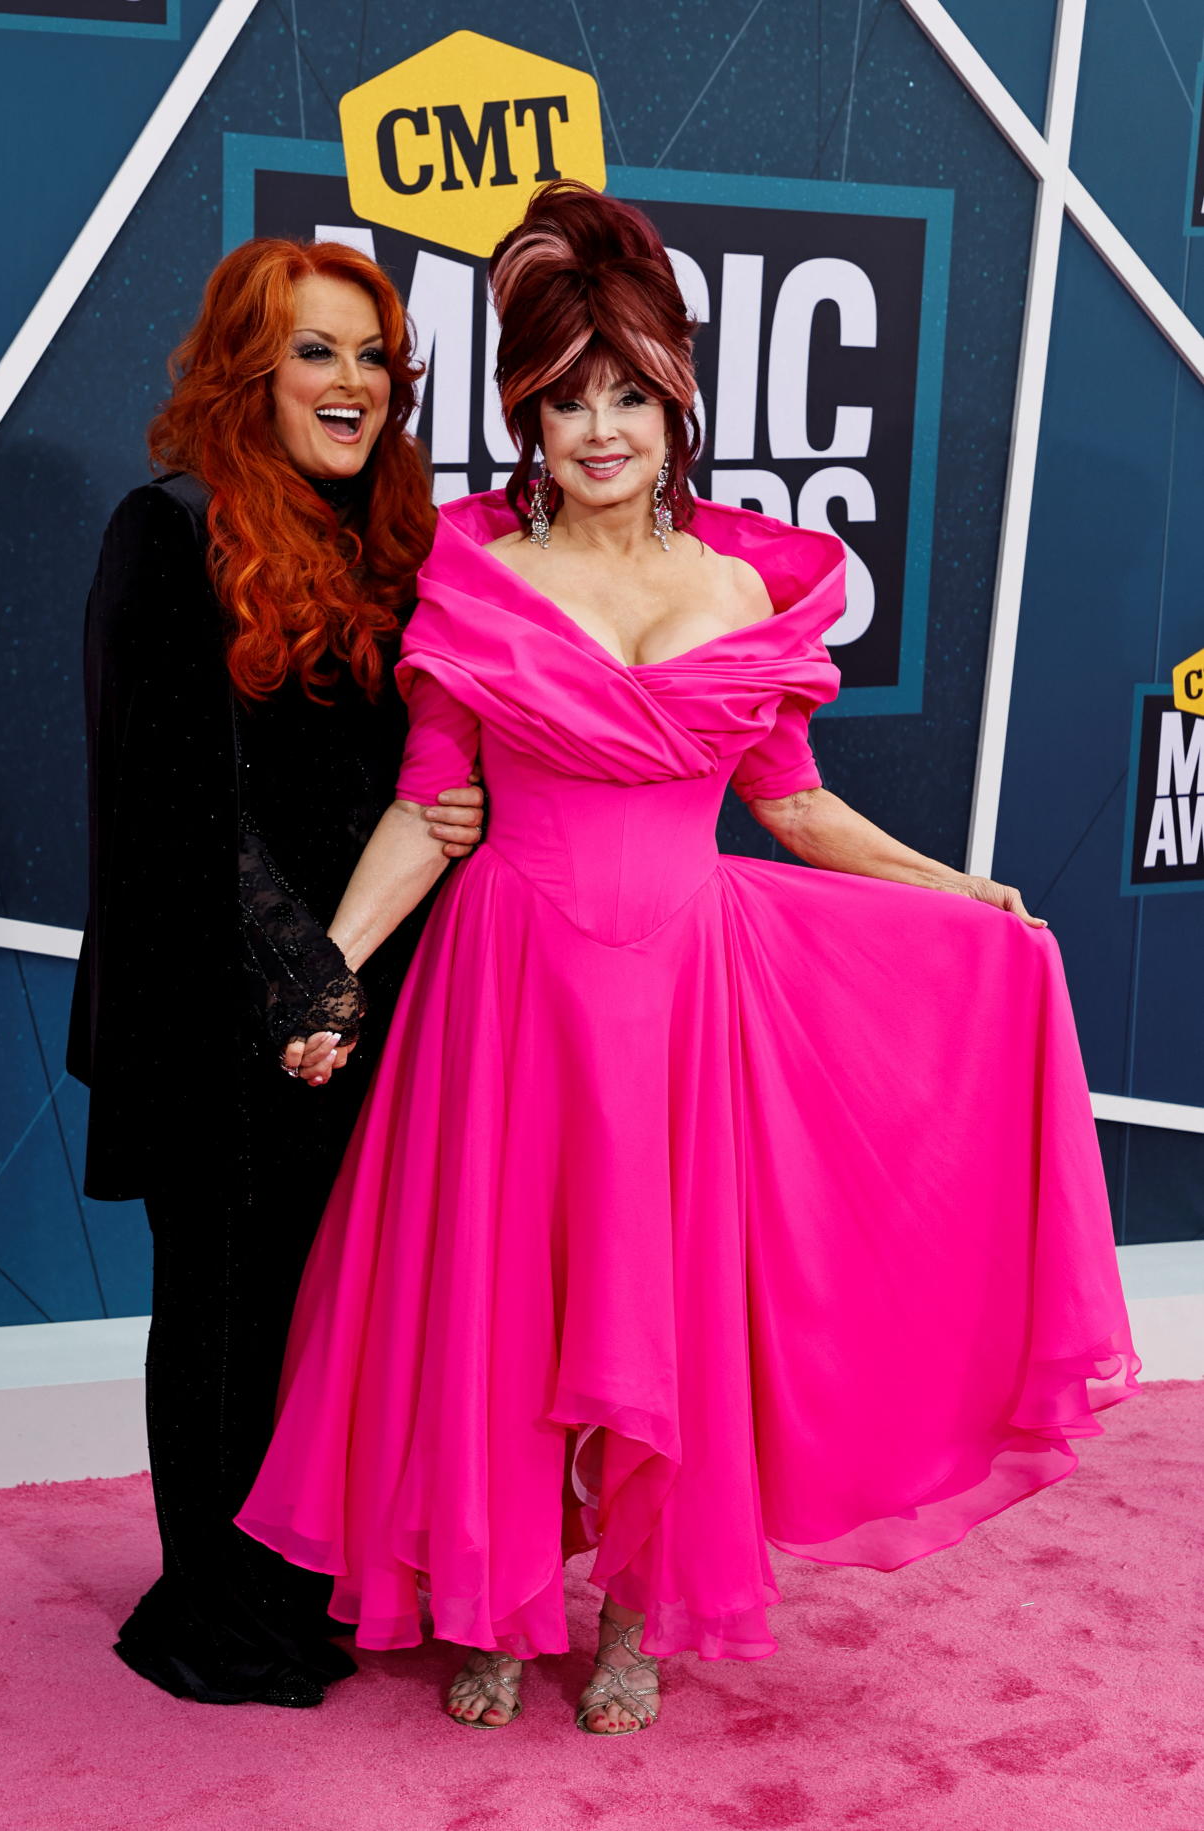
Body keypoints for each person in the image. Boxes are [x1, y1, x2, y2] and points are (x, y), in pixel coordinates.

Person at [236, 184, 1138, 1734]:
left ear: (675, 410)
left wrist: (956, 888)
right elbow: (422, 810)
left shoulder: (745, 592)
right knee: (498, 1308)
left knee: (670, 1313)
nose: (600, 430)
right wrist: (322, 967)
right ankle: (496, 1607)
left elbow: (793, 809)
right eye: (568, 400)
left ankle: (642, 1619)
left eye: (629, 399)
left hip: (687, 997)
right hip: (506, 993)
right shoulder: (474, 582)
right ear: (525, 415)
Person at [66, 238, 483, 1707]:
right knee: (229, 1307)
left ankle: (309, 1580)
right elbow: (168, 807)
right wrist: (302, 983)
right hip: (216, 1005)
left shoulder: (401, 549)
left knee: (333, 1309)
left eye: (373, 356)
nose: (353, 384)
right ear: (249, 368)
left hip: (371, 991)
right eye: (317, 352)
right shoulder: (165, 530)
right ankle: (211, 1612)